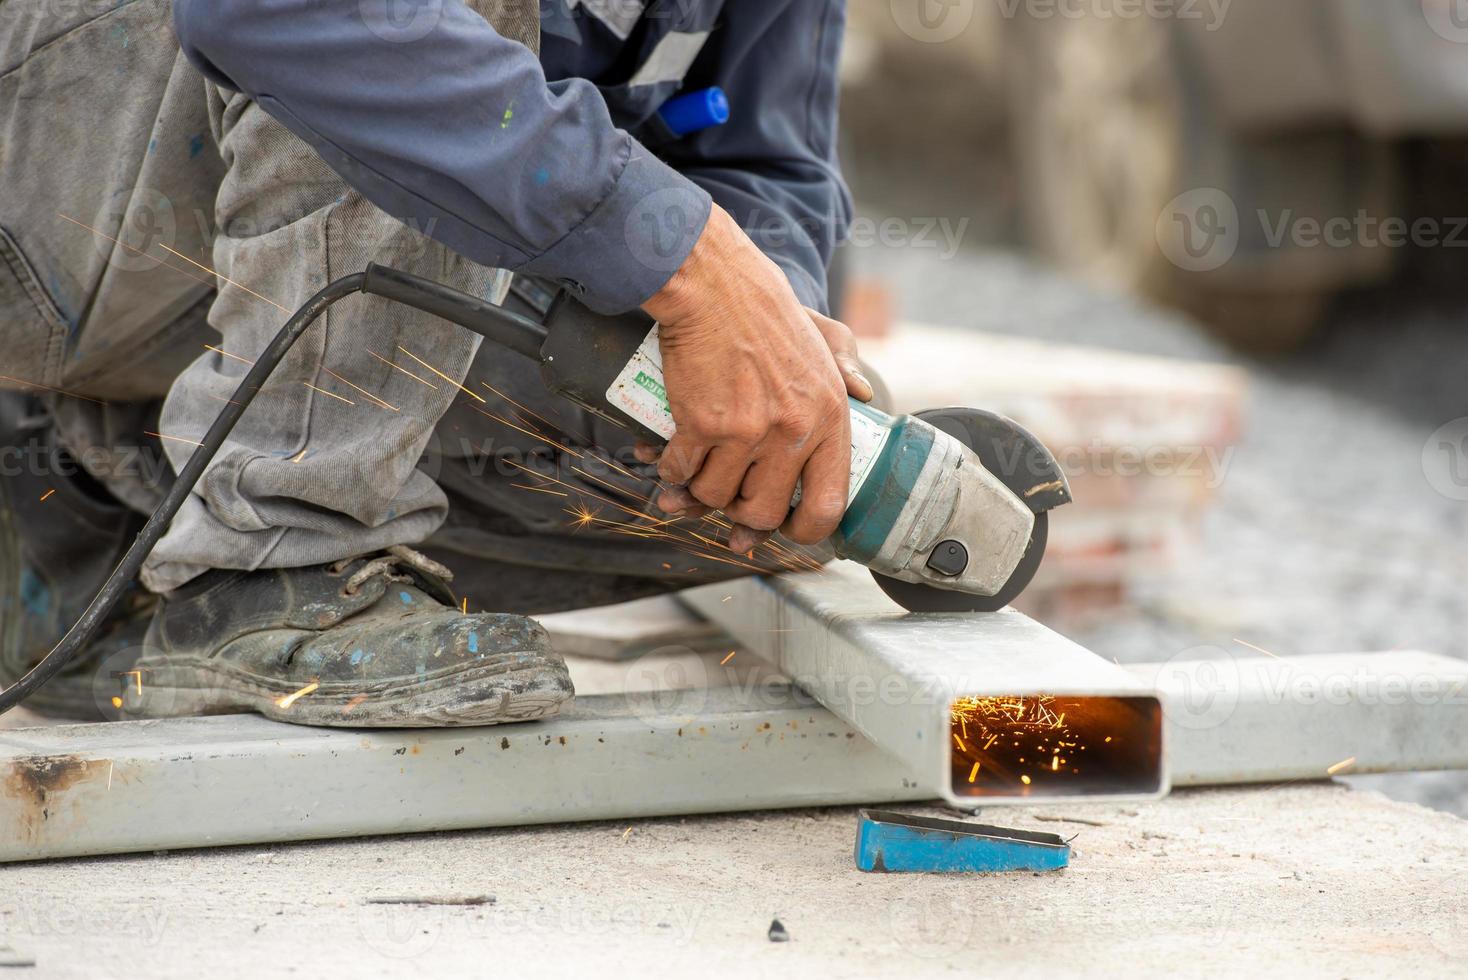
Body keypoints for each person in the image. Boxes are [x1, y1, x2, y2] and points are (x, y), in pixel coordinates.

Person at [0, 0, 870, 727]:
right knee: (432, 34)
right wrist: (688, 260)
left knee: (779, 477)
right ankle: (274, 563)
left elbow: (766, 158)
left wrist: (763, 321)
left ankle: (89, 520)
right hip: (47, 217)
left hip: (199, 279)